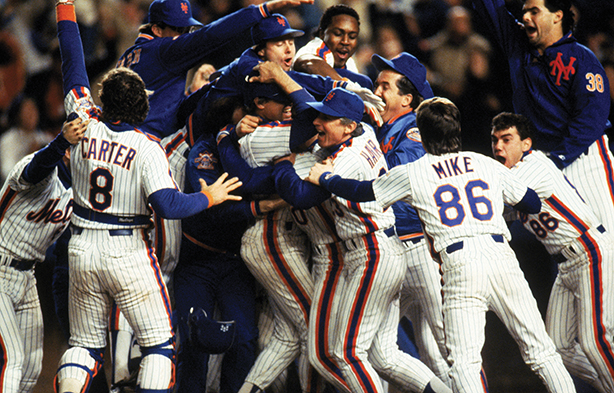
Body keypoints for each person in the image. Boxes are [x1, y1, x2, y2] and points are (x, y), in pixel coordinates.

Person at [306, 97, 577, 393]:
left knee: (464, 364)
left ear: (422, 135)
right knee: (542, 352)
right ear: (456, 130)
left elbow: (362, 191)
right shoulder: (484, 162)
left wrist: (327, 177)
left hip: (460, 264)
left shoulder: (414, 172)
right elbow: (531, 202)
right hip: (501, 255)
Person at [54, 2, 242, 393]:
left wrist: (65, 8)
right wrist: (209, 196)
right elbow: (170, 205)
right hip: (128, 252)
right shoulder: (147, 148)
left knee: (84, 346)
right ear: (141, 103)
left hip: (82, 246)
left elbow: (72, 61)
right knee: (159, 345)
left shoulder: (84, 119)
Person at [294, 87, 450, 393]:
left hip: (372, 250)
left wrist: (287, 164)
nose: (317, 122)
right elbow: (360, 121)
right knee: (383, 355)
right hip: (379, 248)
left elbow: (300, 194)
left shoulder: (347, 159)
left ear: (348, 126)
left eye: (327, 118)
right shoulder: (364, 133)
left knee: (346, 353)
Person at [490, 112, 614, 393]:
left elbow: (499, 196)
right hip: (566, 264)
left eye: (507, 139)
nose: (499, 146)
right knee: (560, 346)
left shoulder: (534, 165)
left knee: (596, 341)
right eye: (495, 140)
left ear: (526, 144)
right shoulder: (512, 176)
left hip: (589, 253)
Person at [471, 0, 614, 233]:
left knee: (607, 237)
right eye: (524, 11)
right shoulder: (518, 45)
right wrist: (548, 163)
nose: (525, 16)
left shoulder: (581, 57)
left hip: (583, 158)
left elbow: (591, 119)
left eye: (534, 11)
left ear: (557, 16)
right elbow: (490, 8)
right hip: (542, 158)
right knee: (559, 242)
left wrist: (557, 159)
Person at [370, 52, 450, 384]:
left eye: (384, 86)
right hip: (397, 249)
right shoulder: (385, 128)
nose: (376, 90)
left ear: (407, 98)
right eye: (376, 83)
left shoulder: (414, 128)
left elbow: (395, 177)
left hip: (419, 248)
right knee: (383, 350)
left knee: (448, 348)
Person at [0, 116, 84, 393]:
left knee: (32, 366)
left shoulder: (77, 192)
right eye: (83, 146)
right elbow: (37, 168)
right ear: (70, 150)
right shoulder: (38, 165)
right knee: (11, 360)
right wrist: (61, 142)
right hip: (0, 266)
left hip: (27, 277)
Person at [293, 4, 372, 89]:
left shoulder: (349, 62)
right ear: (322, 34)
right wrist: (347, 87)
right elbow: (307, 62)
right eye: (338, 34)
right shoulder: (315, 47)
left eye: (352, 36)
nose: (345, 41)